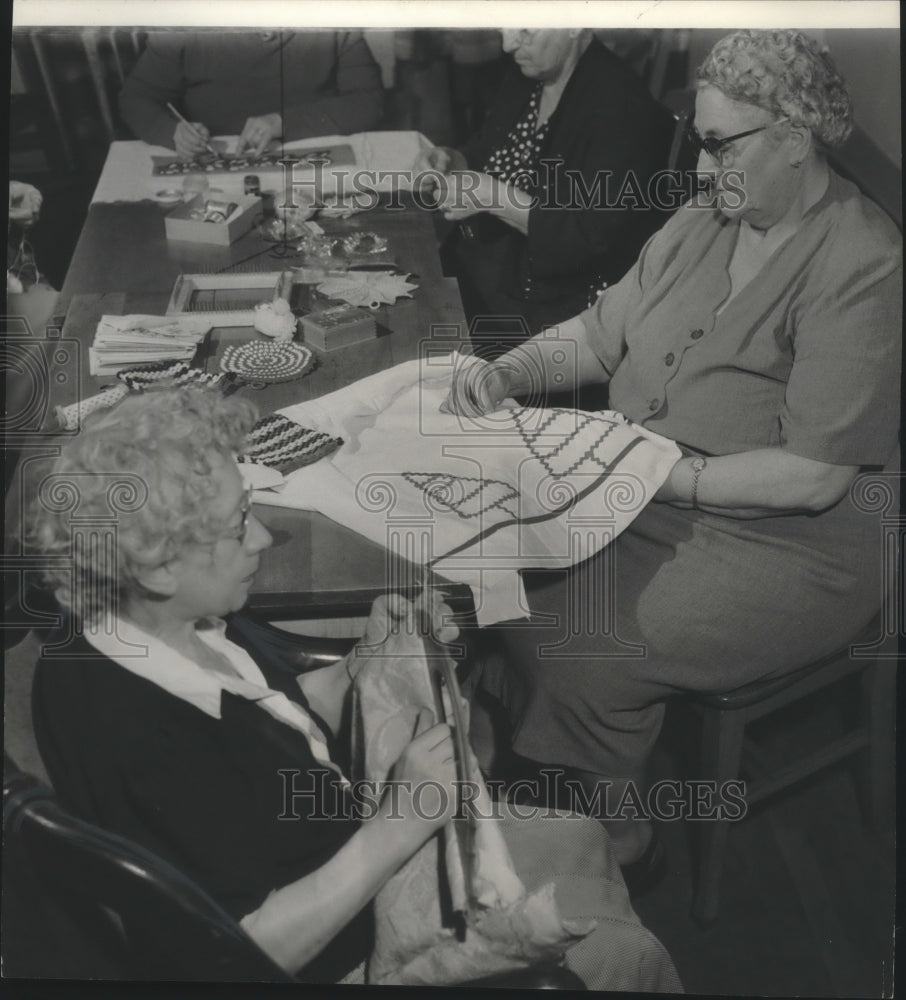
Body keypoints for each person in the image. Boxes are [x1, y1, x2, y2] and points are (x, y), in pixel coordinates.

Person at [30, 388, 681, 990]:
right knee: (623, 957)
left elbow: (265, 718)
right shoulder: (142, 738)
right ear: (162, 566)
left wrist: (363, 664)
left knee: (586, 836)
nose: (262, 538)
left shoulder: (144, 623)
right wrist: (401, 821)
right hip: (342, 951)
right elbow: (238, 952)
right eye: (237, 526)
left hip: (340, 837)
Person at [441, 30, 901, 874]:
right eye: (699, 137)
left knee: (584, 638)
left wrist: (654, 474)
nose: (698, 165)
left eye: (720, 143)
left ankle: (616, 840)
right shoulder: (705, 217)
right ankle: (552, 775)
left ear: (795, 140)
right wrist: (510, 372)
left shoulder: (864, 266)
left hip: (790, 545)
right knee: (491, 561)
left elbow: (815, 477)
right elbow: (600, 332)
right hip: (652, 487)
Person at [413, 29, 680, 351]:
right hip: (483, 269)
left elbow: (590, 236)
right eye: (504, 29)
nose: (509, 45)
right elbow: (488, 148)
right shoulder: (531, 73)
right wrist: (449, 159)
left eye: (525, 32)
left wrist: (495, 198)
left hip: (550, 308)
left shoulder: (623, 107)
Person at [119, 30, 384, 158]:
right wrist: (172, 131)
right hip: (211, 163)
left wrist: (283, 122)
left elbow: (369, 102)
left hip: (308, 165)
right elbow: (136, 98)